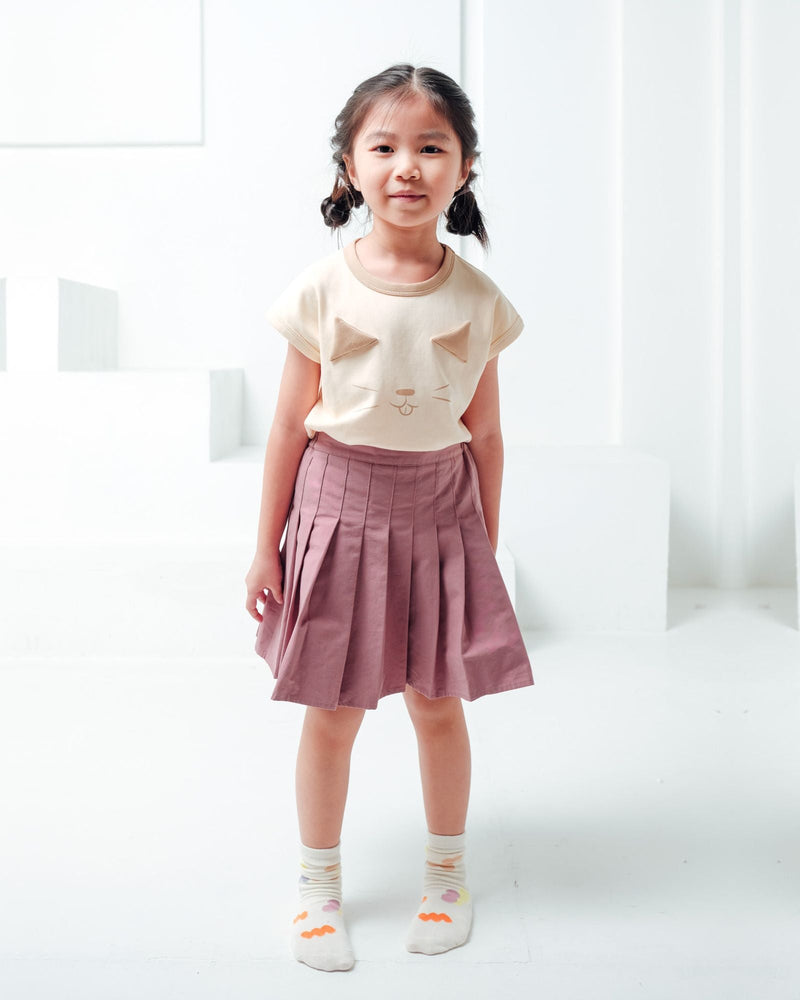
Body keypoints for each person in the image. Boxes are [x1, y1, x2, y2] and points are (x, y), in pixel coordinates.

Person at [244, 63, 533, 973]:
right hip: (336, 510)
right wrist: (265, 549)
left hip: (442, 515)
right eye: (384, 146)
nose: (407, 165)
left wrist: (483, 546)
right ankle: (317, 889)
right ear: (350, 166)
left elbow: (487, 436)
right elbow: (288, 426)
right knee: (331, 711)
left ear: (465, 167)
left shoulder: (478, 302)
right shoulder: (320, 289)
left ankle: (447, 879)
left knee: (438, 705)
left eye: (431, 147)